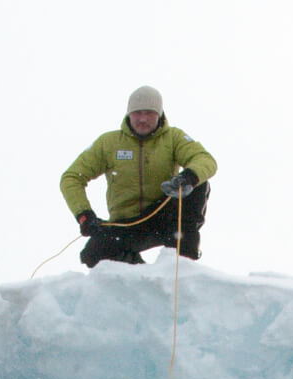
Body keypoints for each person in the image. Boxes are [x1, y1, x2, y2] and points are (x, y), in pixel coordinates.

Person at [60, 86, 218, 267]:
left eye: (149, 113)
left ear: (159, 114)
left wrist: (188, 177)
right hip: (126, 226)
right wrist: (84, 215)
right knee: (92, 253)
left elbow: (205, 160)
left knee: (198, 183)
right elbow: (71, 178)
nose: (142, 119)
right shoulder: (108, 143)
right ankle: (139, 277)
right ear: (128, 114)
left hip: (164, 215)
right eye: (137, 113)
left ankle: (183, 263)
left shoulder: (174, 138)